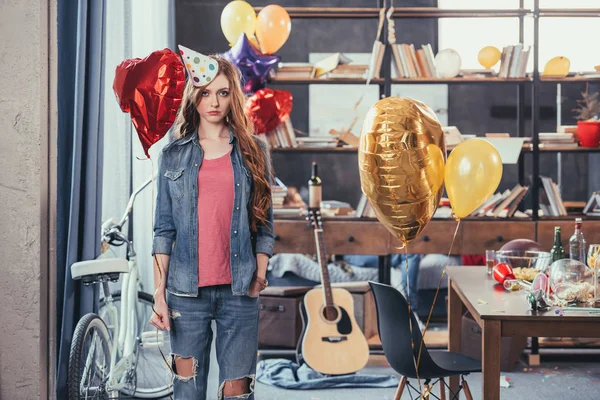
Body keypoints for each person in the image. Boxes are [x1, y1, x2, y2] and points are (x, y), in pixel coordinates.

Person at [149, 46, 274, 400]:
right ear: (195, 96)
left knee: (237, 392)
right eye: (205, 93)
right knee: (186, 391)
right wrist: (159, 294)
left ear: (232, 96)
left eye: (222, 92)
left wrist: (259, 275)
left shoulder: (254, 151)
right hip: (185, 295)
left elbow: (264, 224)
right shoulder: (173, 154)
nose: (214, 102)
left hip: (240, 292)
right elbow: (163, 230)